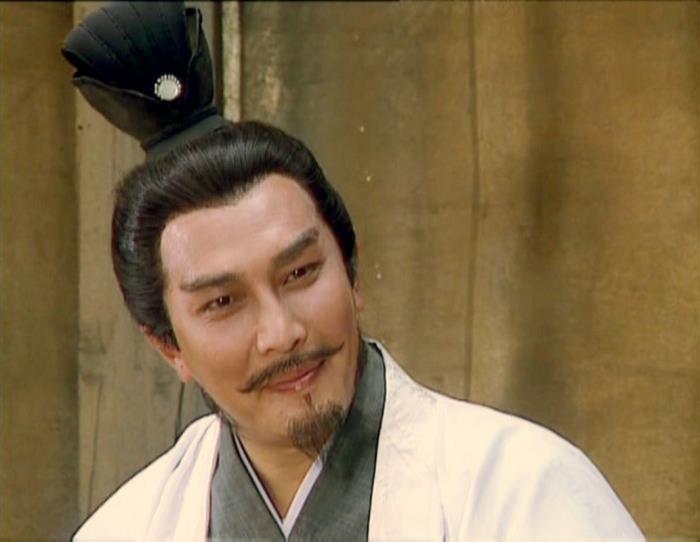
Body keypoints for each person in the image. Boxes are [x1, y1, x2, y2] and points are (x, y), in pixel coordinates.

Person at [64, 3, 643, 540]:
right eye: (222, 302)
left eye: (300, 273)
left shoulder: (522, 493)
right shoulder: (126, 529)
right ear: (169, 346)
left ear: (353, 272)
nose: (281, 332)